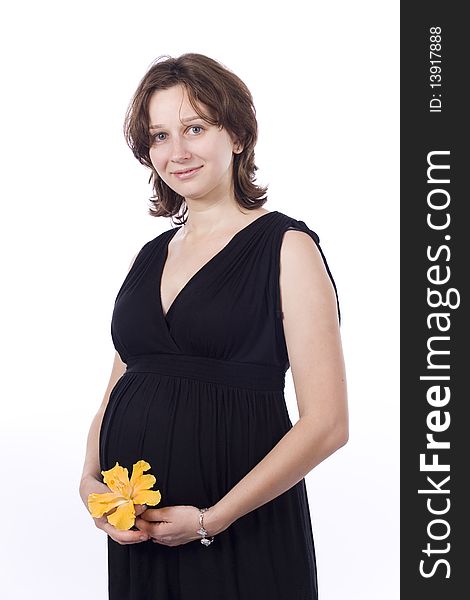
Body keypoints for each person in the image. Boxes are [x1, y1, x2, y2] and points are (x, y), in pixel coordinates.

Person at [79, 52, 348, 600]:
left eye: (194, 128)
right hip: (143, 537)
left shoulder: (287, 248)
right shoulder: (149, 256)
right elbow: (117, 390)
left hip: (239, 533)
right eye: (158, 136)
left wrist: (211, 519)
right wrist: (89, 482)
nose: (175, 152)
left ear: (238, 135)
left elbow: (327, 424)